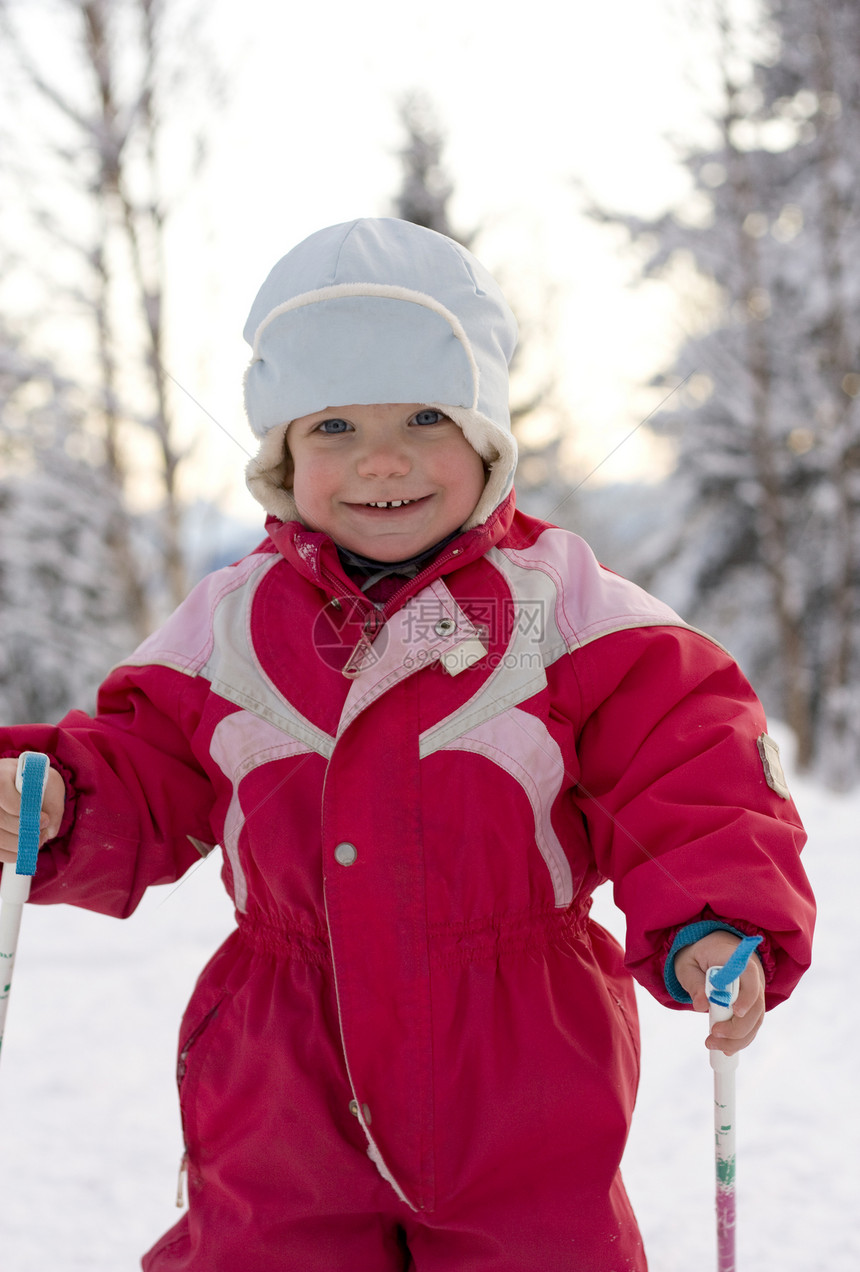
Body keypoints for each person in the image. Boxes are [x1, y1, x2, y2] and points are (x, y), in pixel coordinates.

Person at [0, 218, 814, 1271]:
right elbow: (147, 764)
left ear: (483, 438)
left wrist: (714, 914)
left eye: (424, 416)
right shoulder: (231, 622)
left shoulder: (565, 609)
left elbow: (685, 760)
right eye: (331, 425)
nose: (381, 460)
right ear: (281, 457)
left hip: (520, 1060)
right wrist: (59, 795)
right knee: (263, 1251)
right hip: (281, 1063)